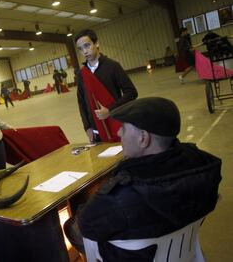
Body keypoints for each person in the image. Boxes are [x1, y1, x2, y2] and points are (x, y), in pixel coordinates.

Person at [64, 97, 222, 261]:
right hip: (184, 248)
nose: (118, 133)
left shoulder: (121, 196)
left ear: (143, 138)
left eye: (123, 128)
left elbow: (86, 224)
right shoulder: (203, 164)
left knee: (71, 226)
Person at [75, 29, 138, 143]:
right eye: (80, 49)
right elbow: (81, 102)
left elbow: (131, 92)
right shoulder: (81, 74)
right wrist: (87, 127)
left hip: (116, 123)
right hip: (95, 130)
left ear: (96, 43)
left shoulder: (113, 66)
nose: (84, 51)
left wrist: (110, 110)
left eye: (87, 46)